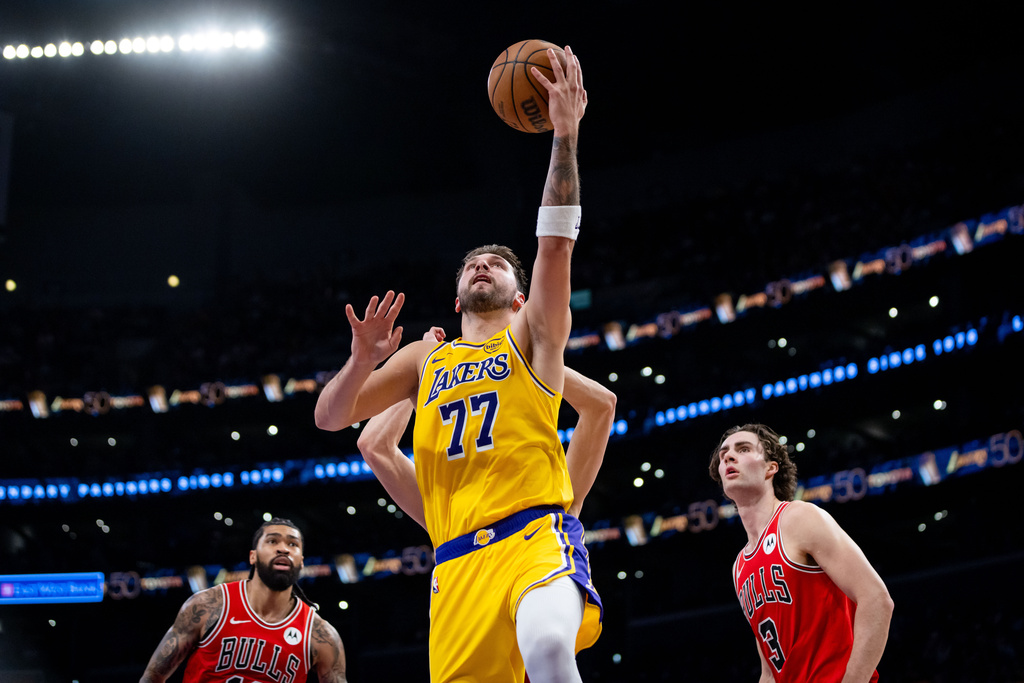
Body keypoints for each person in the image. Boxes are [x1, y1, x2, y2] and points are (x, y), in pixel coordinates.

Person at [315, 45, 597, 682]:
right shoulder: (424, 358)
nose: (481, 266)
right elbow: (331, 417)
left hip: (534, 537)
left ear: (519, 296)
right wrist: (361, 361)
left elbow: (554, 242)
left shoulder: (532, 338)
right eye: (473, 262)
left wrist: (565, 137)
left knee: (550, 647)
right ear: (455, 292)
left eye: (496, 263)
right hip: (457, 565)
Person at [357, 327, 616, 527]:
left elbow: (602, 404)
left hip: (535, 550)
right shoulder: (445, 500)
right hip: (466, 565)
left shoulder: (553, 492)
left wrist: (519, 357)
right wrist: (422, 372)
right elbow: (373, 445)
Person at [709, 424, 894, 683]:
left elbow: (876, 599)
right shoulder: (739, 566)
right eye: (724, 453)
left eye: (743, 449)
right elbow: (769, 671)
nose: (728, 456)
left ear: (770, 468)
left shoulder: (798, 517)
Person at [140, 517, 347, 683]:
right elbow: (153, 676)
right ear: (253, 556)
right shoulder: (208, 605)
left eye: (293, 544)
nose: (283, 548)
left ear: (301, 562)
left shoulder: (321, 636)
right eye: (272, 541)